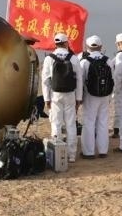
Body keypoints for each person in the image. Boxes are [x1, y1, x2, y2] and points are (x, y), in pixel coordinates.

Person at [41, 33, 83, 163]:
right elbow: (79, 79)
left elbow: (45, 80)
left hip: (55, 95)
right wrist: (78, 98)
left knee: (56, 124)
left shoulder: (49, 59)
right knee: (71, 124)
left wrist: (46, 99)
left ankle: (58, 154)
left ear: (55, 43)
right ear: (66, 43)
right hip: (70, 95)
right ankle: (71, 155)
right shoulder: (74, 58)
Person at [80, 35, 114, 159]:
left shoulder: (84, 62)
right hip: (105, 95)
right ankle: (103, 151)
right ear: (101, 46)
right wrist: (110, 96)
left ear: (87, 47)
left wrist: (79, 98)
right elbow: (112, 80)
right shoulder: (108, 61)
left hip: (90, 96)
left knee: (89, 123)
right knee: (103, 122)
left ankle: (88, 152)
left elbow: (80, 81)